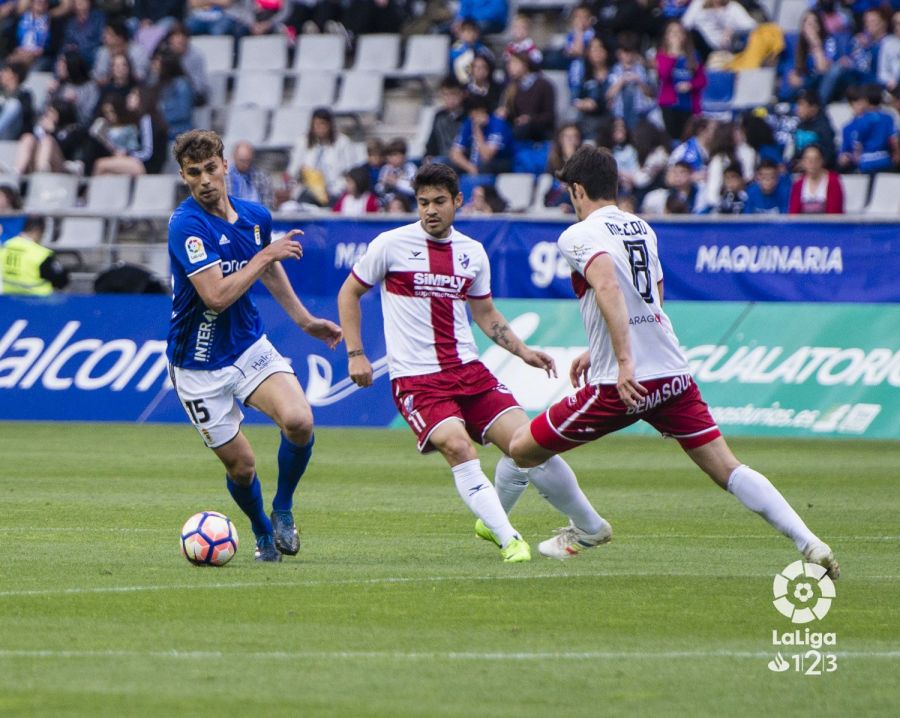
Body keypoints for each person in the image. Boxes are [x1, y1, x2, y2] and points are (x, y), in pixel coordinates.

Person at [506, 145, 840, 578]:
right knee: (729, 469)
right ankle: (809, 542)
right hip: (672, 374)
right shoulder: (640, 227)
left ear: (577, 189)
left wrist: (623, 360)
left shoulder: (577, 234)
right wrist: (601, 348)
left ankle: (589, 529)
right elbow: (652, 297)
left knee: (522, 450)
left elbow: (607, 285)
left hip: (622, 384)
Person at [337, 163, 608, 563]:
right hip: (418, 380)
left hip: (469, 372)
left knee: (530, 445)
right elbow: (348, 293)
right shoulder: (390, 245)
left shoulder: (472, 252)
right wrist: (355, 353)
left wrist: (523, 351)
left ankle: (590, 526)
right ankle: (509, 539)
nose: (430, 210)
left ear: (458, 201)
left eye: (439, 201)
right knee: (458, 446)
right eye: (423, 202)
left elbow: (485, 312)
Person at [166, 129, 342, 562]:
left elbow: (269, 271)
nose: (205, 180)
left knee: (299, 421)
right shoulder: (186, 225)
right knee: (242, 467)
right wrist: (265, 255)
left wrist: (304, 320)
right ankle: (261, 531)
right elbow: (216, 296)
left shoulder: (255, 216)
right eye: (194, 172)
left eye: (210, 168)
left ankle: (282, 508)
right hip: (197, 364)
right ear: (184, 177)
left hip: (246, 344)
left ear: (225, 166)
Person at [0, 215, 69, 295]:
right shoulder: (41, 255)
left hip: (7, 299)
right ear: (37, 230)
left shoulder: (4, 247)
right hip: (36, 300)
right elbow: (62, 281)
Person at [789, 143, 844, 214]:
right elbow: (793, 213)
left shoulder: (833, 181)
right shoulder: (798, 184)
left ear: (822, 161)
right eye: (808, 159)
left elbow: (835, 213)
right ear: (803, 162)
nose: (812, 163)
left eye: (816, 159)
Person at [226, 139, 274, 208]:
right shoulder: (225, 177)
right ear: (234, 157)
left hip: (257, 212)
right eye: (242, 160)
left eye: (248, 160)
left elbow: (268, 203)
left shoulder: (262, 177)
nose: (245, 164)